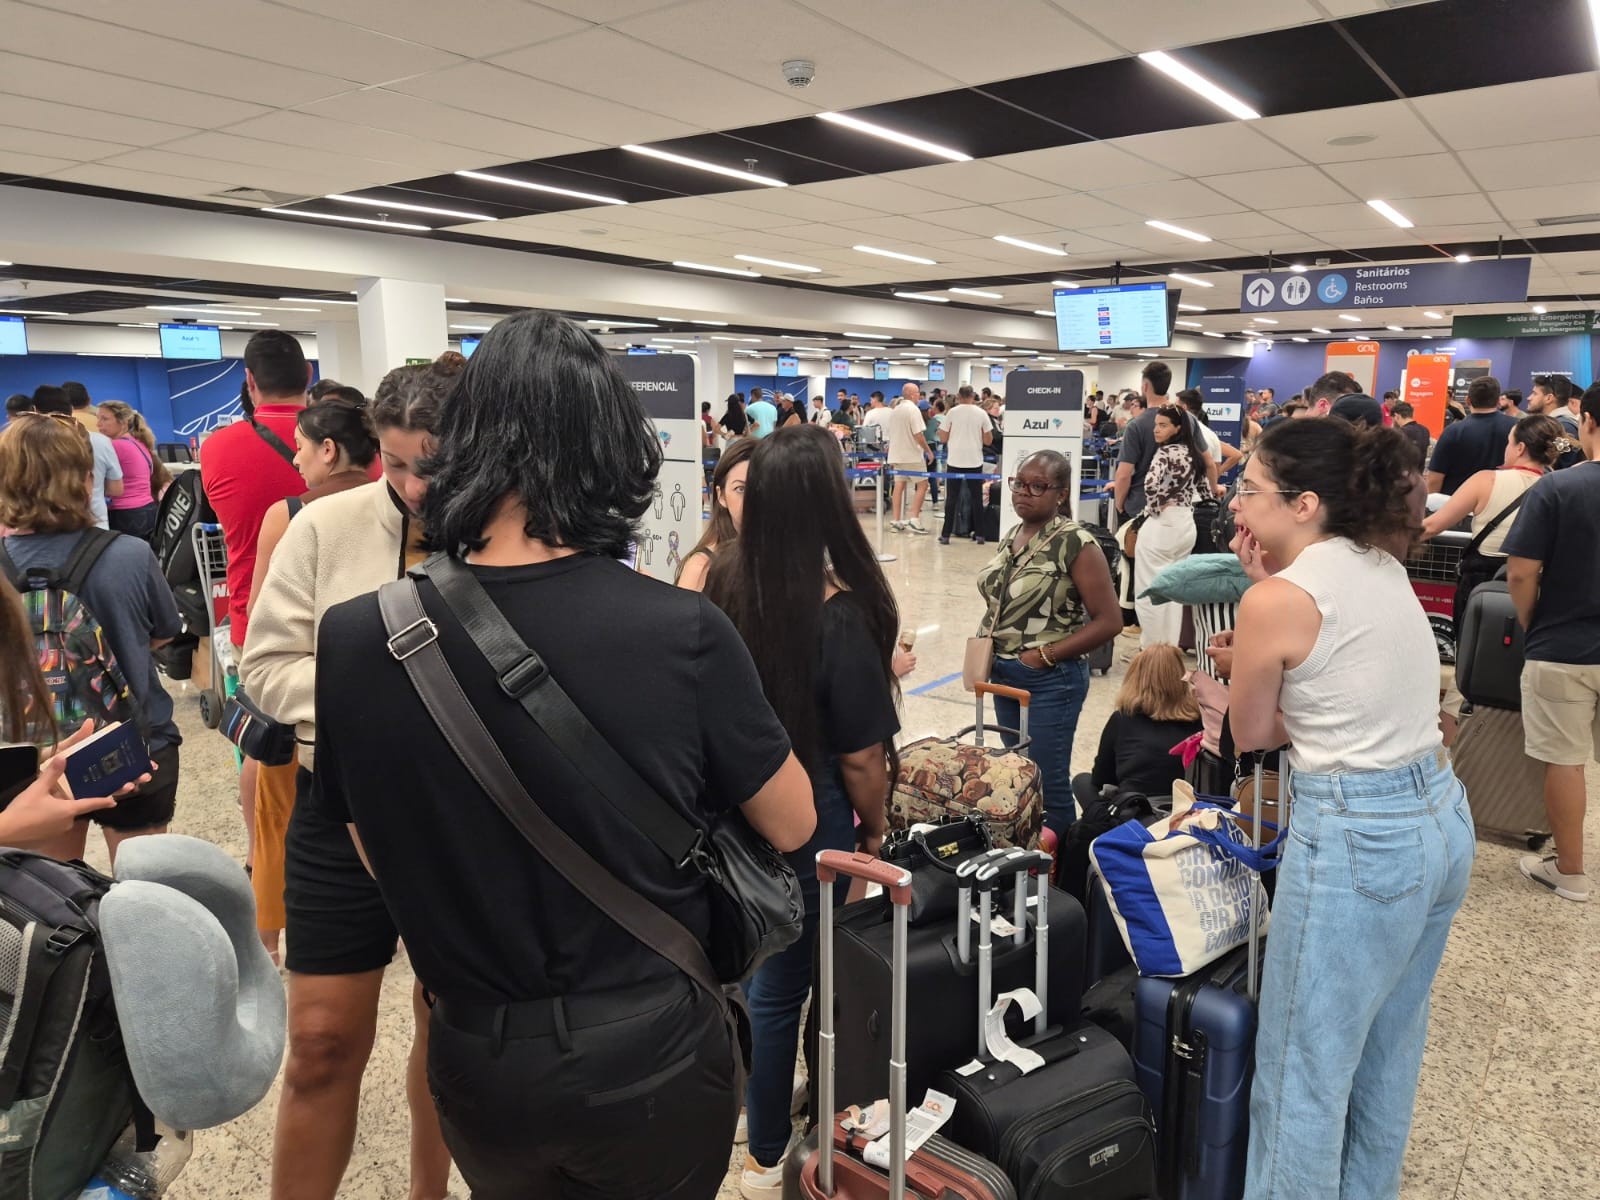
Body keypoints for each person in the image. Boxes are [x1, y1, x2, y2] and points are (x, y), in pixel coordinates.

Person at [310, 311, 815, 1199]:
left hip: (476, 1050)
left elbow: (374, 850)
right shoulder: (681, 631)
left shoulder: (358, 637)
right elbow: (792, 821)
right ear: (613, 452)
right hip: (651, 1040)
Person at [1227, 418, 1474, 1197]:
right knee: (1387, 1048)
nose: (1236, 502)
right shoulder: (1382, 564)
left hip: (1359, 839)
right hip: (1440, 817)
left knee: (1301, 1072)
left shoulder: (1276, 599)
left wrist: (1251, 609)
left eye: (1250, 489)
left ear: (1303, 504)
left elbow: (1253, 733)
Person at [242, 359, 460, 1200]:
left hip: (461, 820)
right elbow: (266, 668)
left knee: (449, 1032)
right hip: (339, 806)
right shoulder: (323, 527)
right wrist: (379, 703)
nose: (413, 487)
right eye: (395, 464)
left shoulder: (504, 534)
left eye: (431, 467)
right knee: (321, 1042)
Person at [703, 423, 899, 1197]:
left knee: (753, 980)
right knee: (798, 987)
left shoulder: (722, 579)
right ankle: (778, 1151)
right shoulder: (839, 613)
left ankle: (752, 1123)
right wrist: (875, 829)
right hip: (813, 825)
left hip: (731, 815)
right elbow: (861, 757)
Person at [0, 413, 182, 867]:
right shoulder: (130, 554)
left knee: (52, 890)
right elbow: (164, 633)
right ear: (86, 478)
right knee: (145, 886)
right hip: (132, 740)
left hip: (35, 756)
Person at [244, 394, 379, 965]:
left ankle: (268, 938)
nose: (295, 459)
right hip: (387, 739)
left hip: (310, 722)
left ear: (328, 449)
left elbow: (262, 624)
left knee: (275, 814)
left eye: (300, 447)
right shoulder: (419, 517)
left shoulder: (293, 514)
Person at [199, 329, 310, 893]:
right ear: (308, 378)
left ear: (249, 381)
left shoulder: (217, 447)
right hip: (338, 612)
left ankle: (259, 858)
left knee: (260, 744)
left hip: (254, 615)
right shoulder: (344, 442)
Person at [978, 450, 1120, 840]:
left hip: (1051, 679)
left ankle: (1059, 867)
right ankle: (1024, 854)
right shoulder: (1015, 534)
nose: (1024, 492)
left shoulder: (1076, 542)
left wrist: (1045, 655)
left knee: (1046, 781)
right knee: (1018, 774)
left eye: (1038, 486)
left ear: (1061, 493)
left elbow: (1110, 621)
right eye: (1019, 484)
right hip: (1004, 672)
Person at [1502, 382, 1600, 903]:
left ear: (1588, 422)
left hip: (1562, 645)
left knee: (1565, 760)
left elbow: (1521, 571)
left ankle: (1571, 872)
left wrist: (1532, 622)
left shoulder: (1558, 488)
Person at [1073, 644, 1201, 811]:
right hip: (1187, 808)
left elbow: (1101, 779)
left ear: (1135, 677)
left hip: (1136, 809)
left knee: (1081, 781)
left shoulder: (1122, 719)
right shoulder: (1198, 720)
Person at [1133, 405, 1204, 648]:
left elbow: (1150, 485)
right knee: (1174, 591)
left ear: (1178, 428)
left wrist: (1154, 507)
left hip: (1162, 526)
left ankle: (1151, 650)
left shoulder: (1164, 453)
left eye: (1163, 425)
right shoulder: (1194, 454)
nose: (1157, 429)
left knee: (1148, 590)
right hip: (1186, 523)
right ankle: (1170, 649)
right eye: (1156, 424)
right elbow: (1204, 489)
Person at [32, 385, 123, 530]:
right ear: (70, 409)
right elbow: (116, 489)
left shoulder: (27, 446)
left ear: (35, 411)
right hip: (95, 525)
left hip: (45, 528)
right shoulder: (101, 441)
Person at [676, 436, 754, 592]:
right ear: (721, 496)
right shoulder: (701, 567)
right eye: (740, 489)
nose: (751, 498)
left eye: (759, 486)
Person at [1426, 376, 1518, 495]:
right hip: (1502, 499)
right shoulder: (1518, 427)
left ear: (1468, 400)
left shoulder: (1453, 431)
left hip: (1456, 500)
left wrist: (1432, 502)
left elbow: (1435, 478)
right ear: (1498, 401)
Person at [97, 400, 171, 541]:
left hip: (125, 515)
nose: (98, 424)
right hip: (147, 510)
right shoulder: (139, 444)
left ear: (123, 423)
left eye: (104, 419)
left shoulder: (115, 446)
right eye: (98, 419)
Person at [1111, 362, 1167, 521]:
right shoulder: (1188, 421)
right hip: (1177, 506)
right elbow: (1207, 462)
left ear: (1145, 387)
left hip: (1141, 506)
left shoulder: (1137, 425)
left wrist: (1119, 503)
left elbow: (1124, 474)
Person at [938, 385, 994, 545]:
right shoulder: (981, 413)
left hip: (954, 460)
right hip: (974, 460)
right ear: (973, 396)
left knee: (951, 499)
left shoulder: (952, 412)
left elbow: (943, 438)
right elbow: (988, 440)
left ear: (958, 396)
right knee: (977, 499)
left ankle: (946, 534)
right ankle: (980, 534)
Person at [886, 383, 932, 534]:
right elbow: (918, 434)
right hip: (912, 455)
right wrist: (928, 451)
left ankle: (896, 520)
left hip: (896, 454)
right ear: (912, 394)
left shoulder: (895, 410)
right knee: (923, 484)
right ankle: (914, 518)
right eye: (918, 393)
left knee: (899, 485)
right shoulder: (913, 410)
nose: (919, 395)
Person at [1391, 400, 1431, 465]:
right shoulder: (1425, 430)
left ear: (1396, 416)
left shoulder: (1400, 433)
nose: (1392, 423)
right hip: (1419, 470)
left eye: (1392, 419)